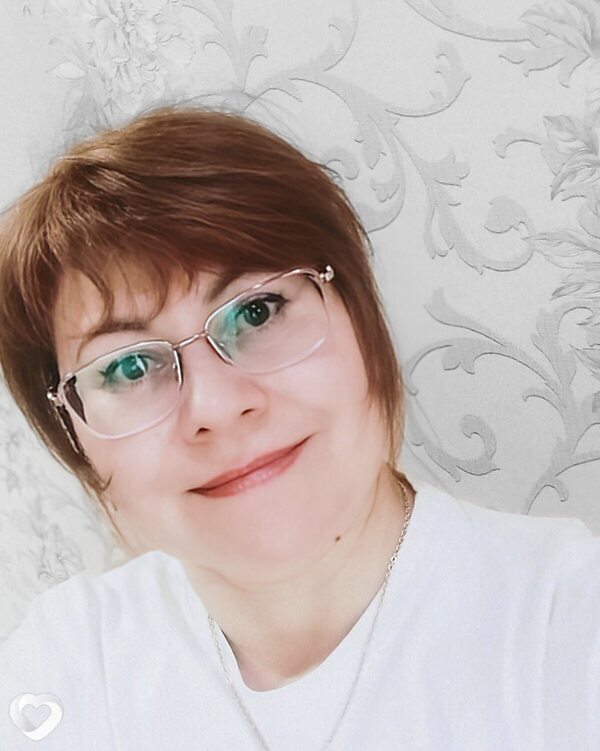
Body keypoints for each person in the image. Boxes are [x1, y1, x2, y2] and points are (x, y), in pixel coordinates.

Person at [0, 102, 598, 751]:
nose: (216, 407)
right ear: (75, 439)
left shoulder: (566, 618)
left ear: (360, 316)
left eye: (257, 311)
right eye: (129, 366)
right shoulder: (69, 659)